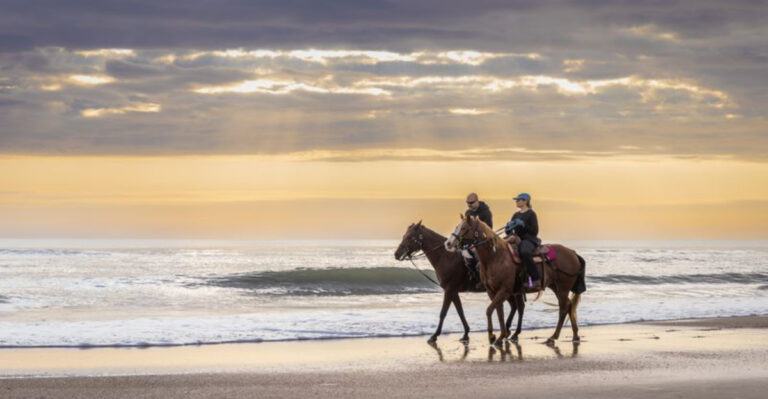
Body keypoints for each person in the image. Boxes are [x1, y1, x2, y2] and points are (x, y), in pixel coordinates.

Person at [504, 193, 541, 289]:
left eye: (519, 200)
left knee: (524, 252)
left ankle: (536, 279)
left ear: (525, 201)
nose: (516, 201)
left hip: (529, 239)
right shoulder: (516, 214)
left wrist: (523, 224)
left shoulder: (531, 214)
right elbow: (509, 231)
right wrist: (508, 228)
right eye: (516, 200)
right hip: (516, 238)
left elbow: (534, 231)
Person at [463, 193, 492, 289]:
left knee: (477, 255)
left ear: (477, 201)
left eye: (471, 203)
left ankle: (483, 280)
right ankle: (471, 277)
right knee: (462, 253)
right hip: (470, 240)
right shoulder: (468, 213)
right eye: (467, 203)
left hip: (483, 239)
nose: (469, 205)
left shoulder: (485, 212)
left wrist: (476, 243)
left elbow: (489, 228)